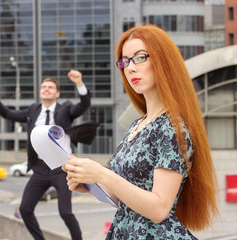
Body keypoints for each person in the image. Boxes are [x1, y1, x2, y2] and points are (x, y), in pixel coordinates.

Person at [62, 25, 219, 239]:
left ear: (164, 61)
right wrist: (92, 185)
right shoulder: (138, 125)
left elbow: (159, 209)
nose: (130, 68)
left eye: (140, 58)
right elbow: (130, 198)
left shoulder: (172, 127)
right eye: (125, 61)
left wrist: (102, 173)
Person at [0, 69, 90, 240]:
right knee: (25, 209)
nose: (46, 89)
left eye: (50, 87)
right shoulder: (34, 110)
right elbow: (8, 114)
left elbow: (83, 105)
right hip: (40, 168)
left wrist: (79, 83)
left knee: (65, 212)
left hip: (61, 168)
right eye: (43, 87)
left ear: (57, 93)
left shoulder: (65, 109)